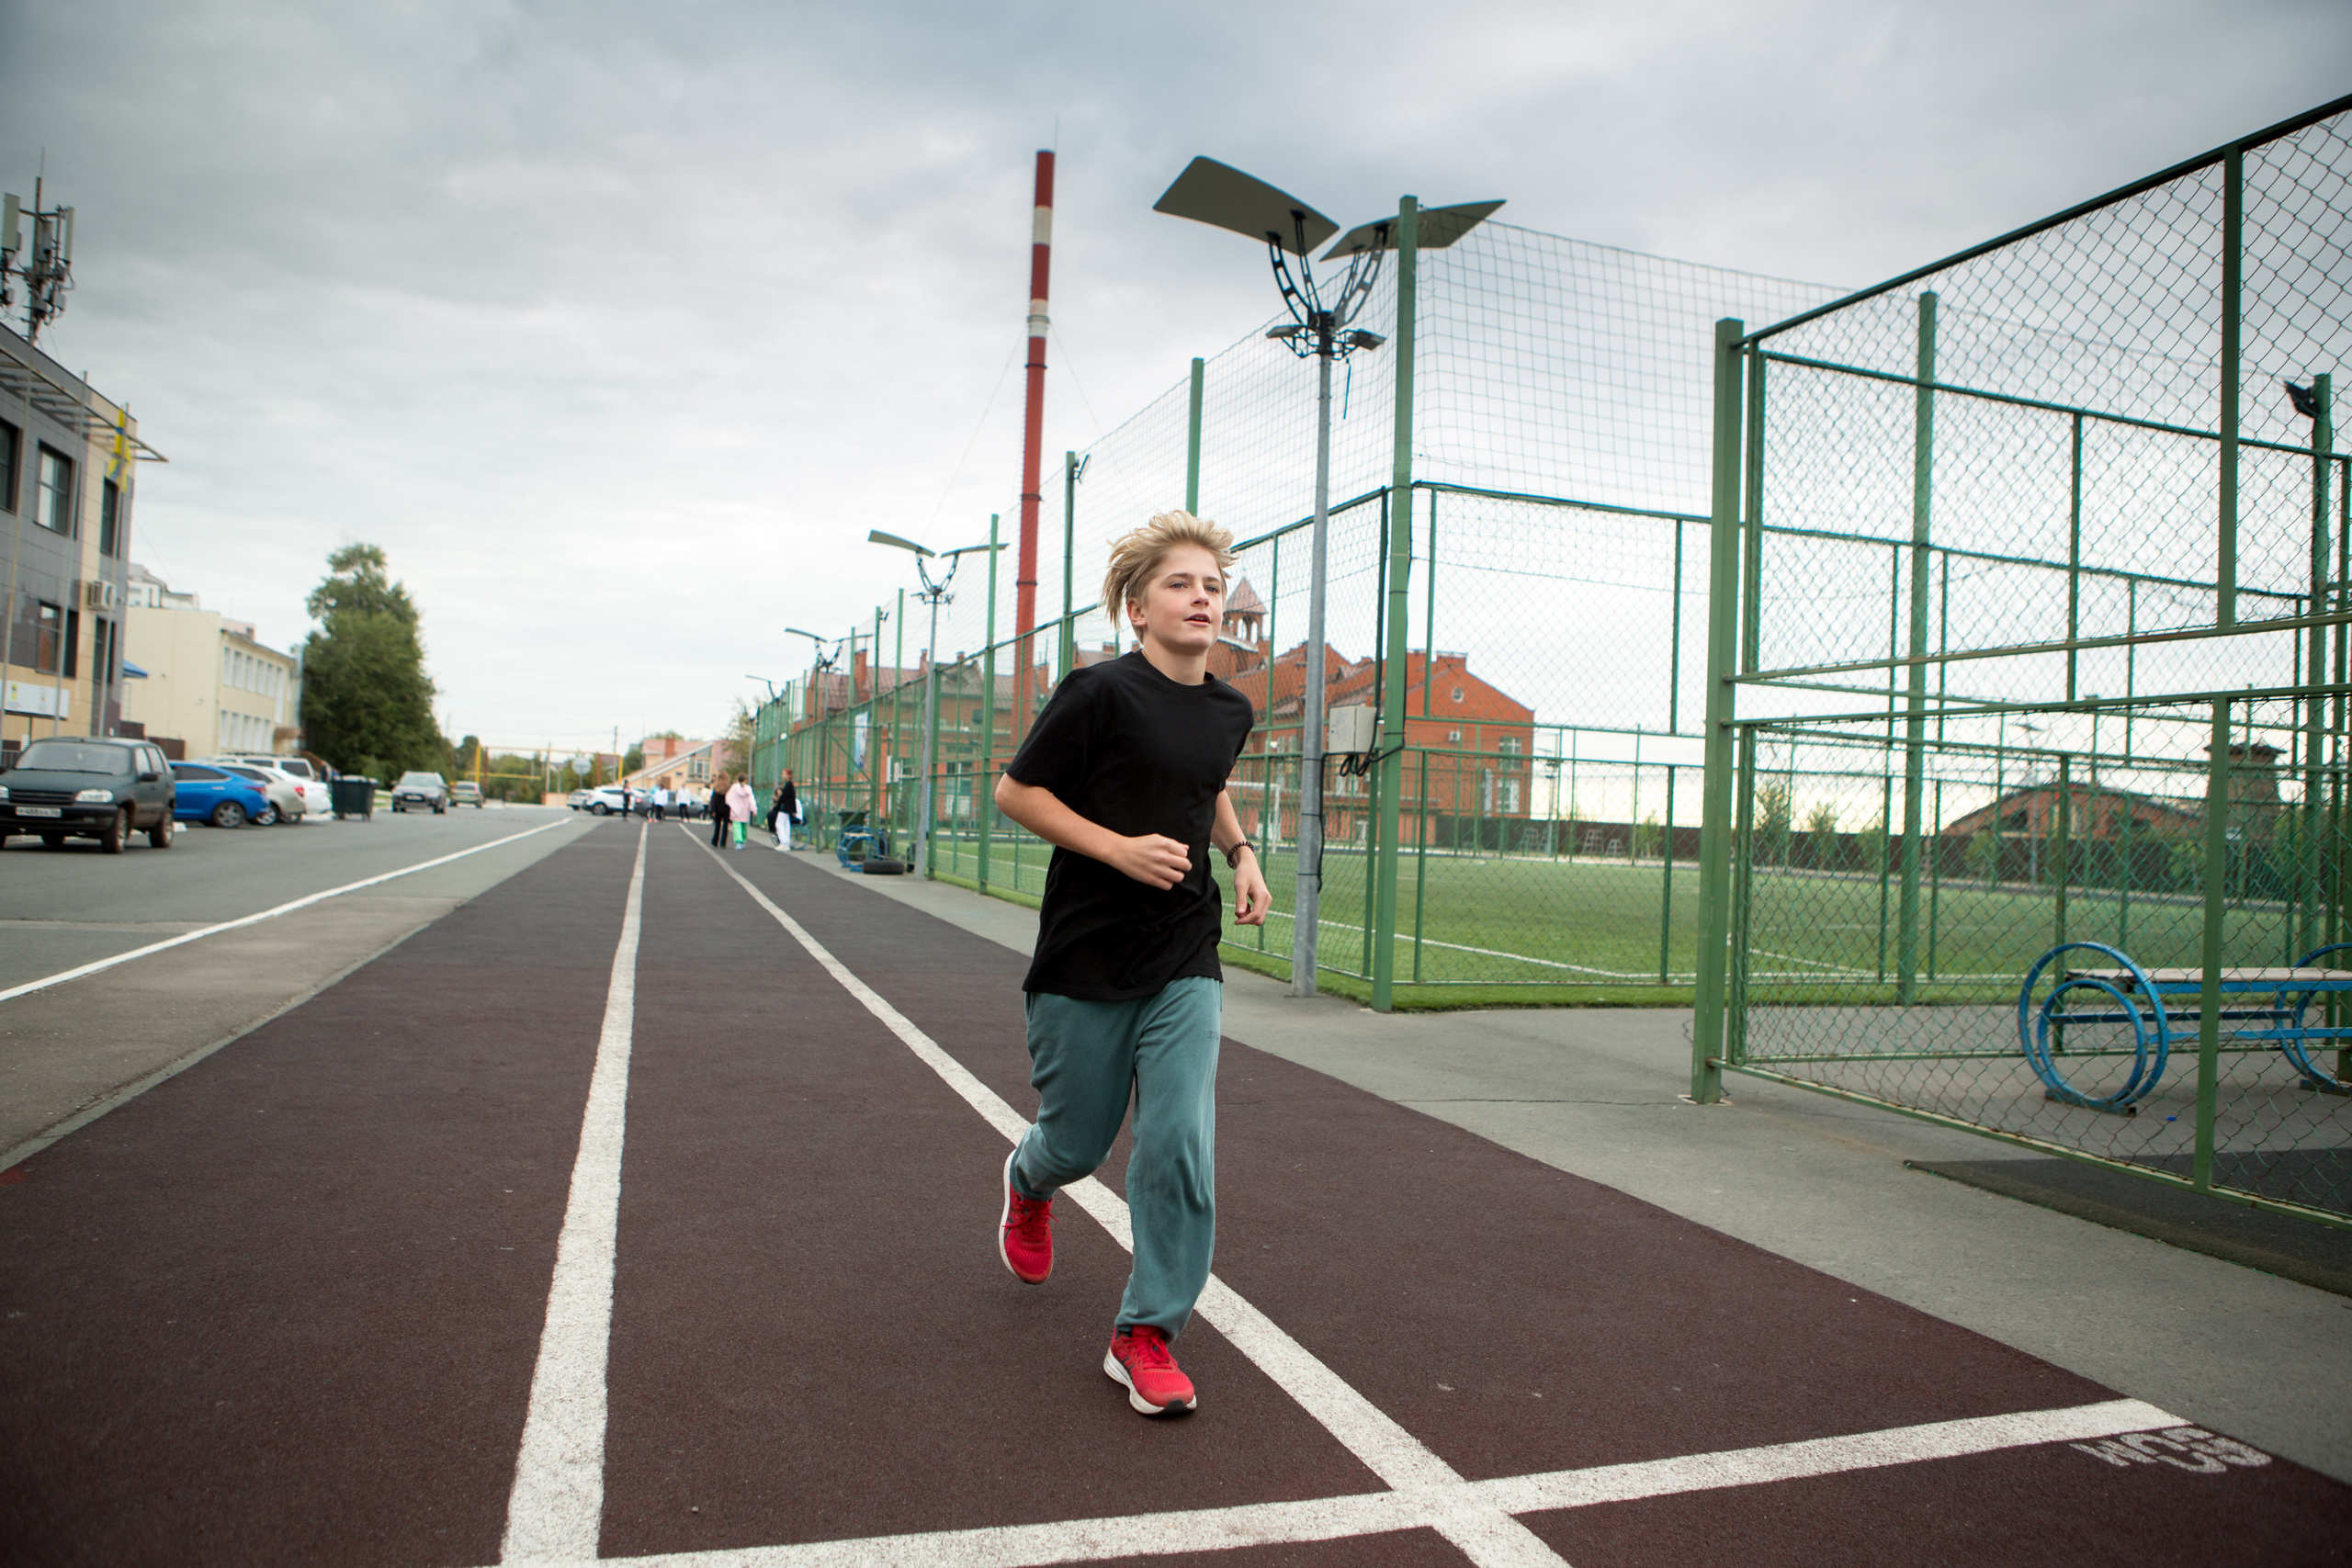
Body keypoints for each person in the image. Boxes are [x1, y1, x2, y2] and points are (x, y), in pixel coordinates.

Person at [990, 510, 1269, 1417]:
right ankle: (1029, 1181)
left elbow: (1207, 781)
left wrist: (1240, 855)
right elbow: (1015, 792)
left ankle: (1146, 1330)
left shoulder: (1232, 707)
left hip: (1185, 948)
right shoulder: (1095, 693)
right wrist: (1115, 849)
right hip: (1087, 950)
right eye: (1182, 584)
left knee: (1178, 1135)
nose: (1202, 597)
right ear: (1138, 608)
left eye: (1212, 585)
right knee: (1078, 1139)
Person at [769, 771, 799, 852]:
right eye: (783, 774)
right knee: (786, 825)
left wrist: (780, 796)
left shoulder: (788, 785)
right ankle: (786, 843)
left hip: (785, 809)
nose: (783, 775)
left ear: (789, 775)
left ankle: (783, 843)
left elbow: (785, 798)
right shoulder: (790, 785)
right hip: (788, 809)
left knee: (779, 824)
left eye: (785, 774)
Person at [726, 774, 756, 849]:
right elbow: (752, 799)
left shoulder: (734, 788)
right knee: (744, 827)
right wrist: (754, 809)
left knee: (737, 827)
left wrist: (733, 806)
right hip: (745, 811)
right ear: (745, 780)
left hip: (736, 811)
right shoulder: (748, 789)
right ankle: (743, 840)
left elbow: (728, 798)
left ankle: (738, 842)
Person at [709, 773, 732, 847]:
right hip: (726, 809)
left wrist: (712, 810)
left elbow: (714, 800)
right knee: (725, 827)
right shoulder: (729, 788)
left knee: (717, 826)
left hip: (718, 809)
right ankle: (723, 843)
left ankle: (715, 841)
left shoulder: (716, 788)